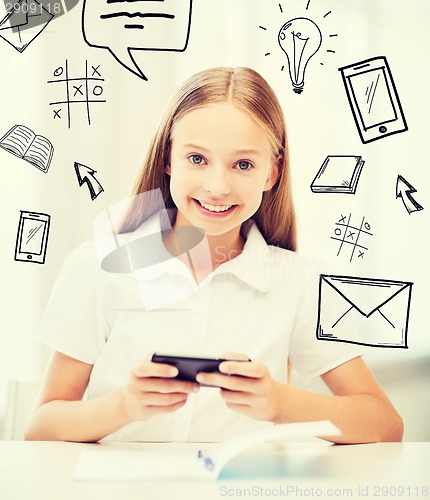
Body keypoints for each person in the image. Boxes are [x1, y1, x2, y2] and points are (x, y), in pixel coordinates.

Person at [25, 67, 403, 444]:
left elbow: (384, 424)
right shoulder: (97, 267)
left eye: (243, 164)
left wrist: (280, 403)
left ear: (272, 172)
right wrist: (124, 405)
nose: (217, 186)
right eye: (197, 159)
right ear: (168, 159)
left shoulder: (301, 283)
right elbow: (41, 428)